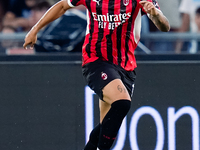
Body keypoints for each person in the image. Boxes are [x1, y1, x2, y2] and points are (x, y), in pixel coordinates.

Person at [23, 0, 170, 149]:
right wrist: (35, 30)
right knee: (122, 103)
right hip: (96, 60)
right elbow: (62, 6)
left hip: (126, 66)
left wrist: (155, 14)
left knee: (105, 128)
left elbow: (165, 27)